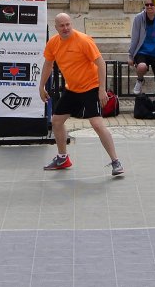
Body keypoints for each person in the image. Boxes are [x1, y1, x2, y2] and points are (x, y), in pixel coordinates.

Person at [38, 13, 122, 176]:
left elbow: (101, 63)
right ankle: (63, 158)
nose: (66, 28)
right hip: (72, 89)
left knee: (97, 124)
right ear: (56, 28)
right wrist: (41, 86)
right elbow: (48, 64)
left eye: (68, 24)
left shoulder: (83, 40)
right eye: (62, 25)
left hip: (91, 87)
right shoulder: (53, 43)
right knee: (56, 121)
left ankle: (115, 161)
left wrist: (102, 89)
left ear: (72, 24)